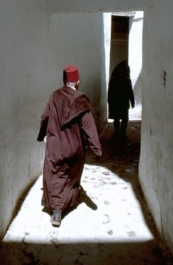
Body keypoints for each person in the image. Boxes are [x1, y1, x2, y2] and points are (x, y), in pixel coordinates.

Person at [37, 64, 102, 227]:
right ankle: (68, 202)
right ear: (77, 82)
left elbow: (44, 117)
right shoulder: (81, 101)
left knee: (55, 175)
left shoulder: (54, 97)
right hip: (74, 148)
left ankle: (57, 211)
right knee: (71, 175)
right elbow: (89, 127)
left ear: (64, 81)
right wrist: (97, 150)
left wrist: (42, 135)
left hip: (55, 147)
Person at [107, 61, 135, 142]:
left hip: (116, 103)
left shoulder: (113, 80)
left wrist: (109, 102)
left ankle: (117, 133)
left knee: (116, 119)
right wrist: (132, 102)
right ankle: (123, 134)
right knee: (124, 119)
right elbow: (130, 92)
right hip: (124, 103)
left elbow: (110, 92)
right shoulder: (127, 80)